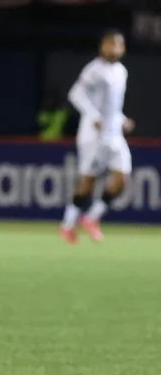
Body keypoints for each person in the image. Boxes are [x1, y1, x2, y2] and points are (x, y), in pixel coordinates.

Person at [59, 30, 134, 243]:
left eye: (118, 45)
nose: (114, 49)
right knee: (88, 181)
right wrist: (94, 116)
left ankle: (91, 218)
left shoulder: (121, 71)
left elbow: (113, 106)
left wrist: (121, 119)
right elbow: (75, 94)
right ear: (102, 46)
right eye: (110, 44)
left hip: (114, 134)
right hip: (93, 135)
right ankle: (67, 225)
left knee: (122, 177)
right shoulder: (94, 70)